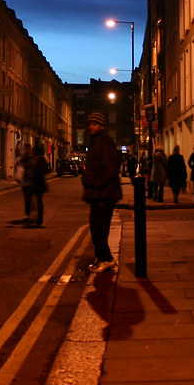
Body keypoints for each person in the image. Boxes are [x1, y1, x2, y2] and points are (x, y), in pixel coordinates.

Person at [82, 112, 122, 272]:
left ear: (101, 126)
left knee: (99, 228)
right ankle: (103, 257)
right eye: (90, 123)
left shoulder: (104, 143)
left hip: (103, 193)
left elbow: (110, 169)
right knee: (97, 228)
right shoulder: (97, 142)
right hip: (99, 192)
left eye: (95, 124)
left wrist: (94, 183)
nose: (91, 126)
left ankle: (107, 259)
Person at [27, 144, 49, 227]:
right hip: (34, 182)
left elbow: (44, 170)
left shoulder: (41, 160)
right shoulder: (34, 159)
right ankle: (34, 216)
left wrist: (35, 172)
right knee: (31, 200)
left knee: (38, 201)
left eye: (33, 151)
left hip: (39, 183)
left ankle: (39, 218)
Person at [15, 143, 34, 220]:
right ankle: (28, 213)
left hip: (30, 180)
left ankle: (29, 213)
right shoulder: (26, 157)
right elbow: (20, 163)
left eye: (27, 149)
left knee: (28, 197)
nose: (27, 150)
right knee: (27, 198)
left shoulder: (30, 157)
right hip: (25, 180)